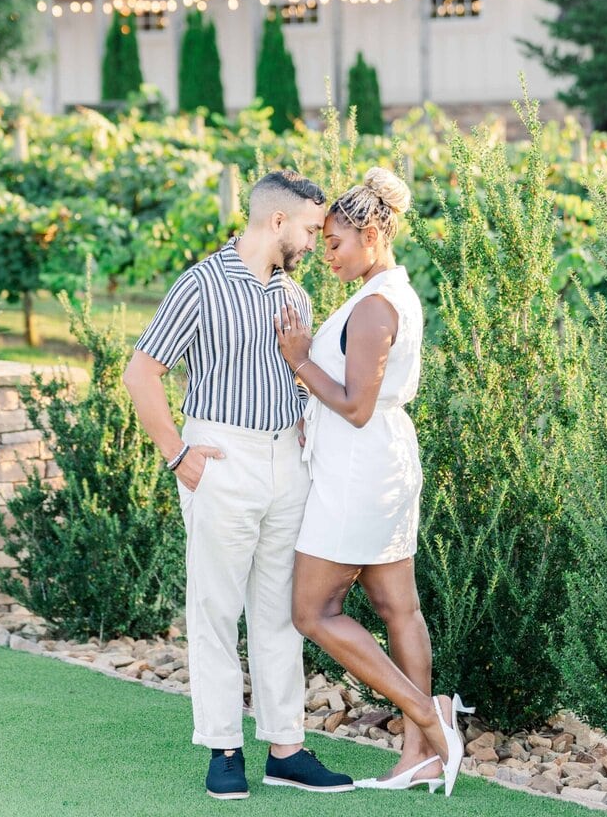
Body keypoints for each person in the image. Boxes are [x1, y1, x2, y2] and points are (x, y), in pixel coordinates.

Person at [123, 169, 354, 800]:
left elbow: (299, 378)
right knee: (217, 609)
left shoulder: (296, 298)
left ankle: (287, 748)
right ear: (277, 221)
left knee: (280, 613)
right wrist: (178, 454)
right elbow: (141, 373)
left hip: (288, 465)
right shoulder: (200, 284)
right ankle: (224, 747)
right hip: (221, 458)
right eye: (310, 228)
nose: (314, 241)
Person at [274, 166, 472, 798]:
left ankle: (425, 714)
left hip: (359, 467)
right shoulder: (384, 294)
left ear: (371, 232)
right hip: (375, 460)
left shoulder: (377, 305)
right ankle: (420, 755)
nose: (325, 254)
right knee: (397, 606)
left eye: (334, 242)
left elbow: (357, 404)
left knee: (312, 610)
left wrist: (300, 358)